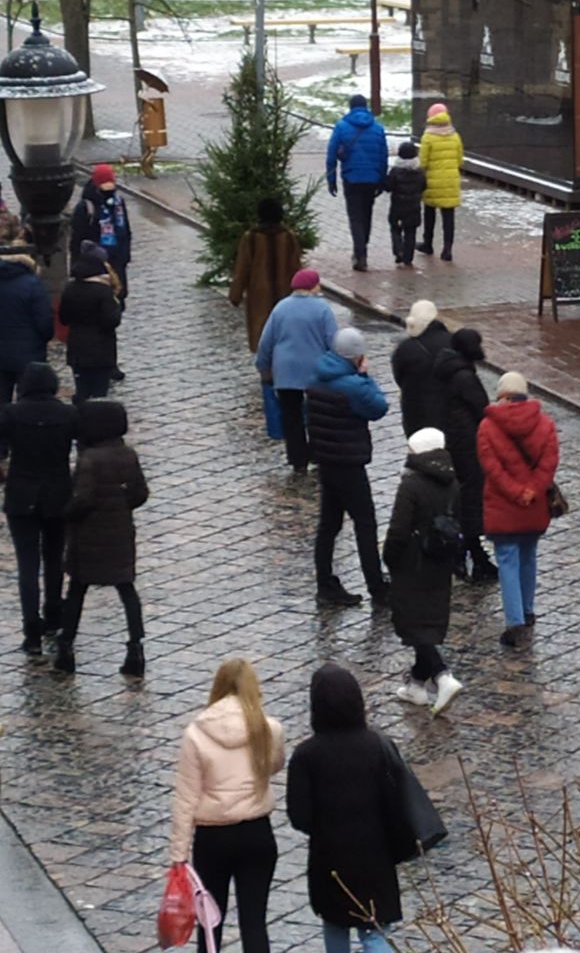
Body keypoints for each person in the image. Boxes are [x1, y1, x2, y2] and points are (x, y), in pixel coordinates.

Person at [287, 664, 406, 953]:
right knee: (375, 933)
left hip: (330, 859)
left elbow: (299, 816)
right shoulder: (379, 746)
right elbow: (398, 801)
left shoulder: (306, 756)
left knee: (335, 925)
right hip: (376, 856)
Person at [170, 659, 285, 953]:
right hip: (257, 833)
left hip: (213, 838)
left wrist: (179, 856)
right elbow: (273, 767)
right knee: (254, 922)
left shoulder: (196, 734)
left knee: (209, 923)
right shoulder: (268, 729)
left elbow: (185, 798)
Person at [55, 400, 149, 677]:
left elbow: (83, 498)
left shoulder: (90, 459)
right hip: (120, 532)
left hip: (88, 535)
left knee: (77, 590)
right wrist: (121, 505)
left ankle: (66, 646)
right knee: (126, 589)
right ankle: (135, 646)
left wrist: (66, 514)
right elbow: (140, 493)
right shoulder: (128, 454)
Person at [306, 327, 390, 608]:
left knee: (329, 524)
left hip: (326, 462)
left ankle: (325, 584)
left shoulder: (317, 376)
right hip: (349, 464)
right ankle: (377, 587)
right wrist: (366, 376)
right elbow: (379, 407)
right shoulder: (353, 386)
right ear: (356, 356)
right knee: (365, 524)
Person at [383, 427, 463, 714]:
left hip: (412, 564)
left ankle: (442, 676)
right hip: (440, 563)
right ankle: (416, 685)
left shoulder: (411, 485)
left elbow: (398, 529)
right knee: (427, 622)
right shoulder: (453, 482)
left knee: (412, 624)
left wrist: (389, 558)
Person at [477, 371, 559, 649]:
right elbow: (549, 464)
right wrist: (532, 491)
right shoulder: (546, 425)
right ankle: (527, 608)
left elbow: (492, 468)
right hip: (534, 507)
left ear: (502, 395)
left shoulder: (488, 427)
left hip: (503, 507)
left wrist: (515, 492)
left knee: (508, 561)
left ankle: (514, 621)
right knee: (528, 556)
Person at [0, 363, 77, 653]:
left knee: (27, 565)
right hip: (58, 494)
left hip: (22, 495)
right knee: (55, 557)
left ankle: (31, 630)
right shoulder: (68, 414)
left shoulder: (11, 413)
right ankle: (54, 614)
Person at [255, 270, 339, 474]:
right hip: (316, 373)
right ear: (313, 286)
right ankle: (318, 453)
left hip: (286, 373)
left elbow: (266, 342)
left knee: (291, 416)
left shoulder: (280, 308)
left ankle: (297, 459)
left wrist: (264, 367)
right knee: (317, 414)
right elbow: (333, 342)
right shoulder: (322, 309)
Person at [433, 328, 498, 583]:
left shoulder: (448, 369)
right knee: (470, 500)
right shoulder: (464, 376)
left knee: (463, 497)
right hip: (468, 445)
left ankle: (470, 554)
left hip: (454, 440)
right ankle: (468, 555)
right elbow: (483, 409)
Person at [0, 220, 53, 448]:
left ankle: (1, 446)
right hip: (27, 354)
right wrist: (43, 340)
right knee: (27, 400)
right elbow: (44, 322)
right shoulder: (32, 284)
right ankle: (23, 443)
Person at [229, 198, 303, 352]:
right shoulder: (288, 237)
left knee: (261, 333)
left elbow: (242, 268)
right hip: (285, 295)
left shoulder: (251, 238)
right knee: (283, 334)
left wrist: (235, 294)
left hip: (259, 296)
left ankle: (266, 371)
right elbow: (297, 267)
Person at [326, 94, 388, 273]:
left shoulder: (341, 127)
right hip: (372, 179)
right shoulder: (377, 128)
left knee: (355, 217)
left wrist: (331, 180)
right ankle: (363, 250)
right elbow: (383, 156)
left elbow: (331, 156)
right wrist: (382, 179)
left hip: (351, 178)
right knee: (366, 214)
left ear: (350, 107)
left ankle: (359, 254)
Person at [58, 241, 123, 402]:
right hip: (101, 350)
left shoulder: (69, 289)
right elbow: (111, 320)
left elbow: (63, 318)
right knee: (99, 393)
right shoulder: (103, 291)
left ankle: (80, 417)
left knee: (82, 391)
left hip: (77, 349)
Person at [69, 163, 133, 309]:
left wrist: (125, 256)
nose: (109, 191)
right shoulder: (86, 208)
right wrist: (77, 268)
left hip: (117, 263)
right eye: (105, 187)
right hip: (95, 266)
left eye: (112, 186)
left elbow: (126, 231)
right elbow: (76, 241)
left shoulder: (119, 203)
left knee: (117, 303)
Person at [390, 300, 451, 438]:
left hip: (415, 412)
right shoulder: (453, 342)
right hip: (447, 412)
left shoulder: (405, 349)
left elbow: (398, 376)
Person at [416, 103, 464, 262]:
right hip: (451, 180)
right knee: (448, 217)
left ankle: (428, 244)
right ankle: (447, 249)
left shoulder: (428, 136)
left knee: (429, 213)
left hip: (432, 180)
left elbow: (422, 162)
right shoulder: (454, 135)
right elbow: (459, 160)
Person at [384, 140, 426, 267]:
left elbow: (388, 186)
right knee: (411, 231)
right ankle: (408, 257)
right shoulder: (419, 172)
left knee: (395, 228)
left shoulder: (395, 171)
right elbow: (424, 186)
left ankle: (398, 251)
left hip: (398, 205)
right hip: (414, 206)